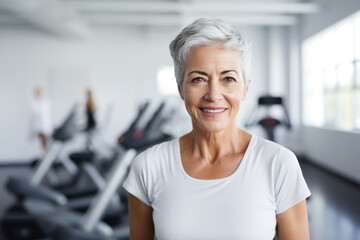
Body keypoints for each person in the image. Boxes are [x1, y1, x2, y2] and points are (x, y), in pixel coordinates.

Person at [123, 18, 311, 240]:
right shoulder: (148, 167)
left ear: (245, 88)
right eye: (198, 79)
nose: (213, 94)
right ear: (181, 89)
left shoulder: (279, 164)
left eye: (228, 78)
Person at [29, 88, 53, 153]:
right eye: (37, 94)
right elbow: (33, 118)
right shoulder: (33, 104)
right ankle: (45, 154)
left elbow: (47, 116)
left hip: (47, 126)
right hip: (39, 127)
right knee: (43, 141)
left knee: (47, 142)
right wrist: (32, 129)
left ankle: (47, 154)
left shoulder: (46, 103)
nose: (38, 95)